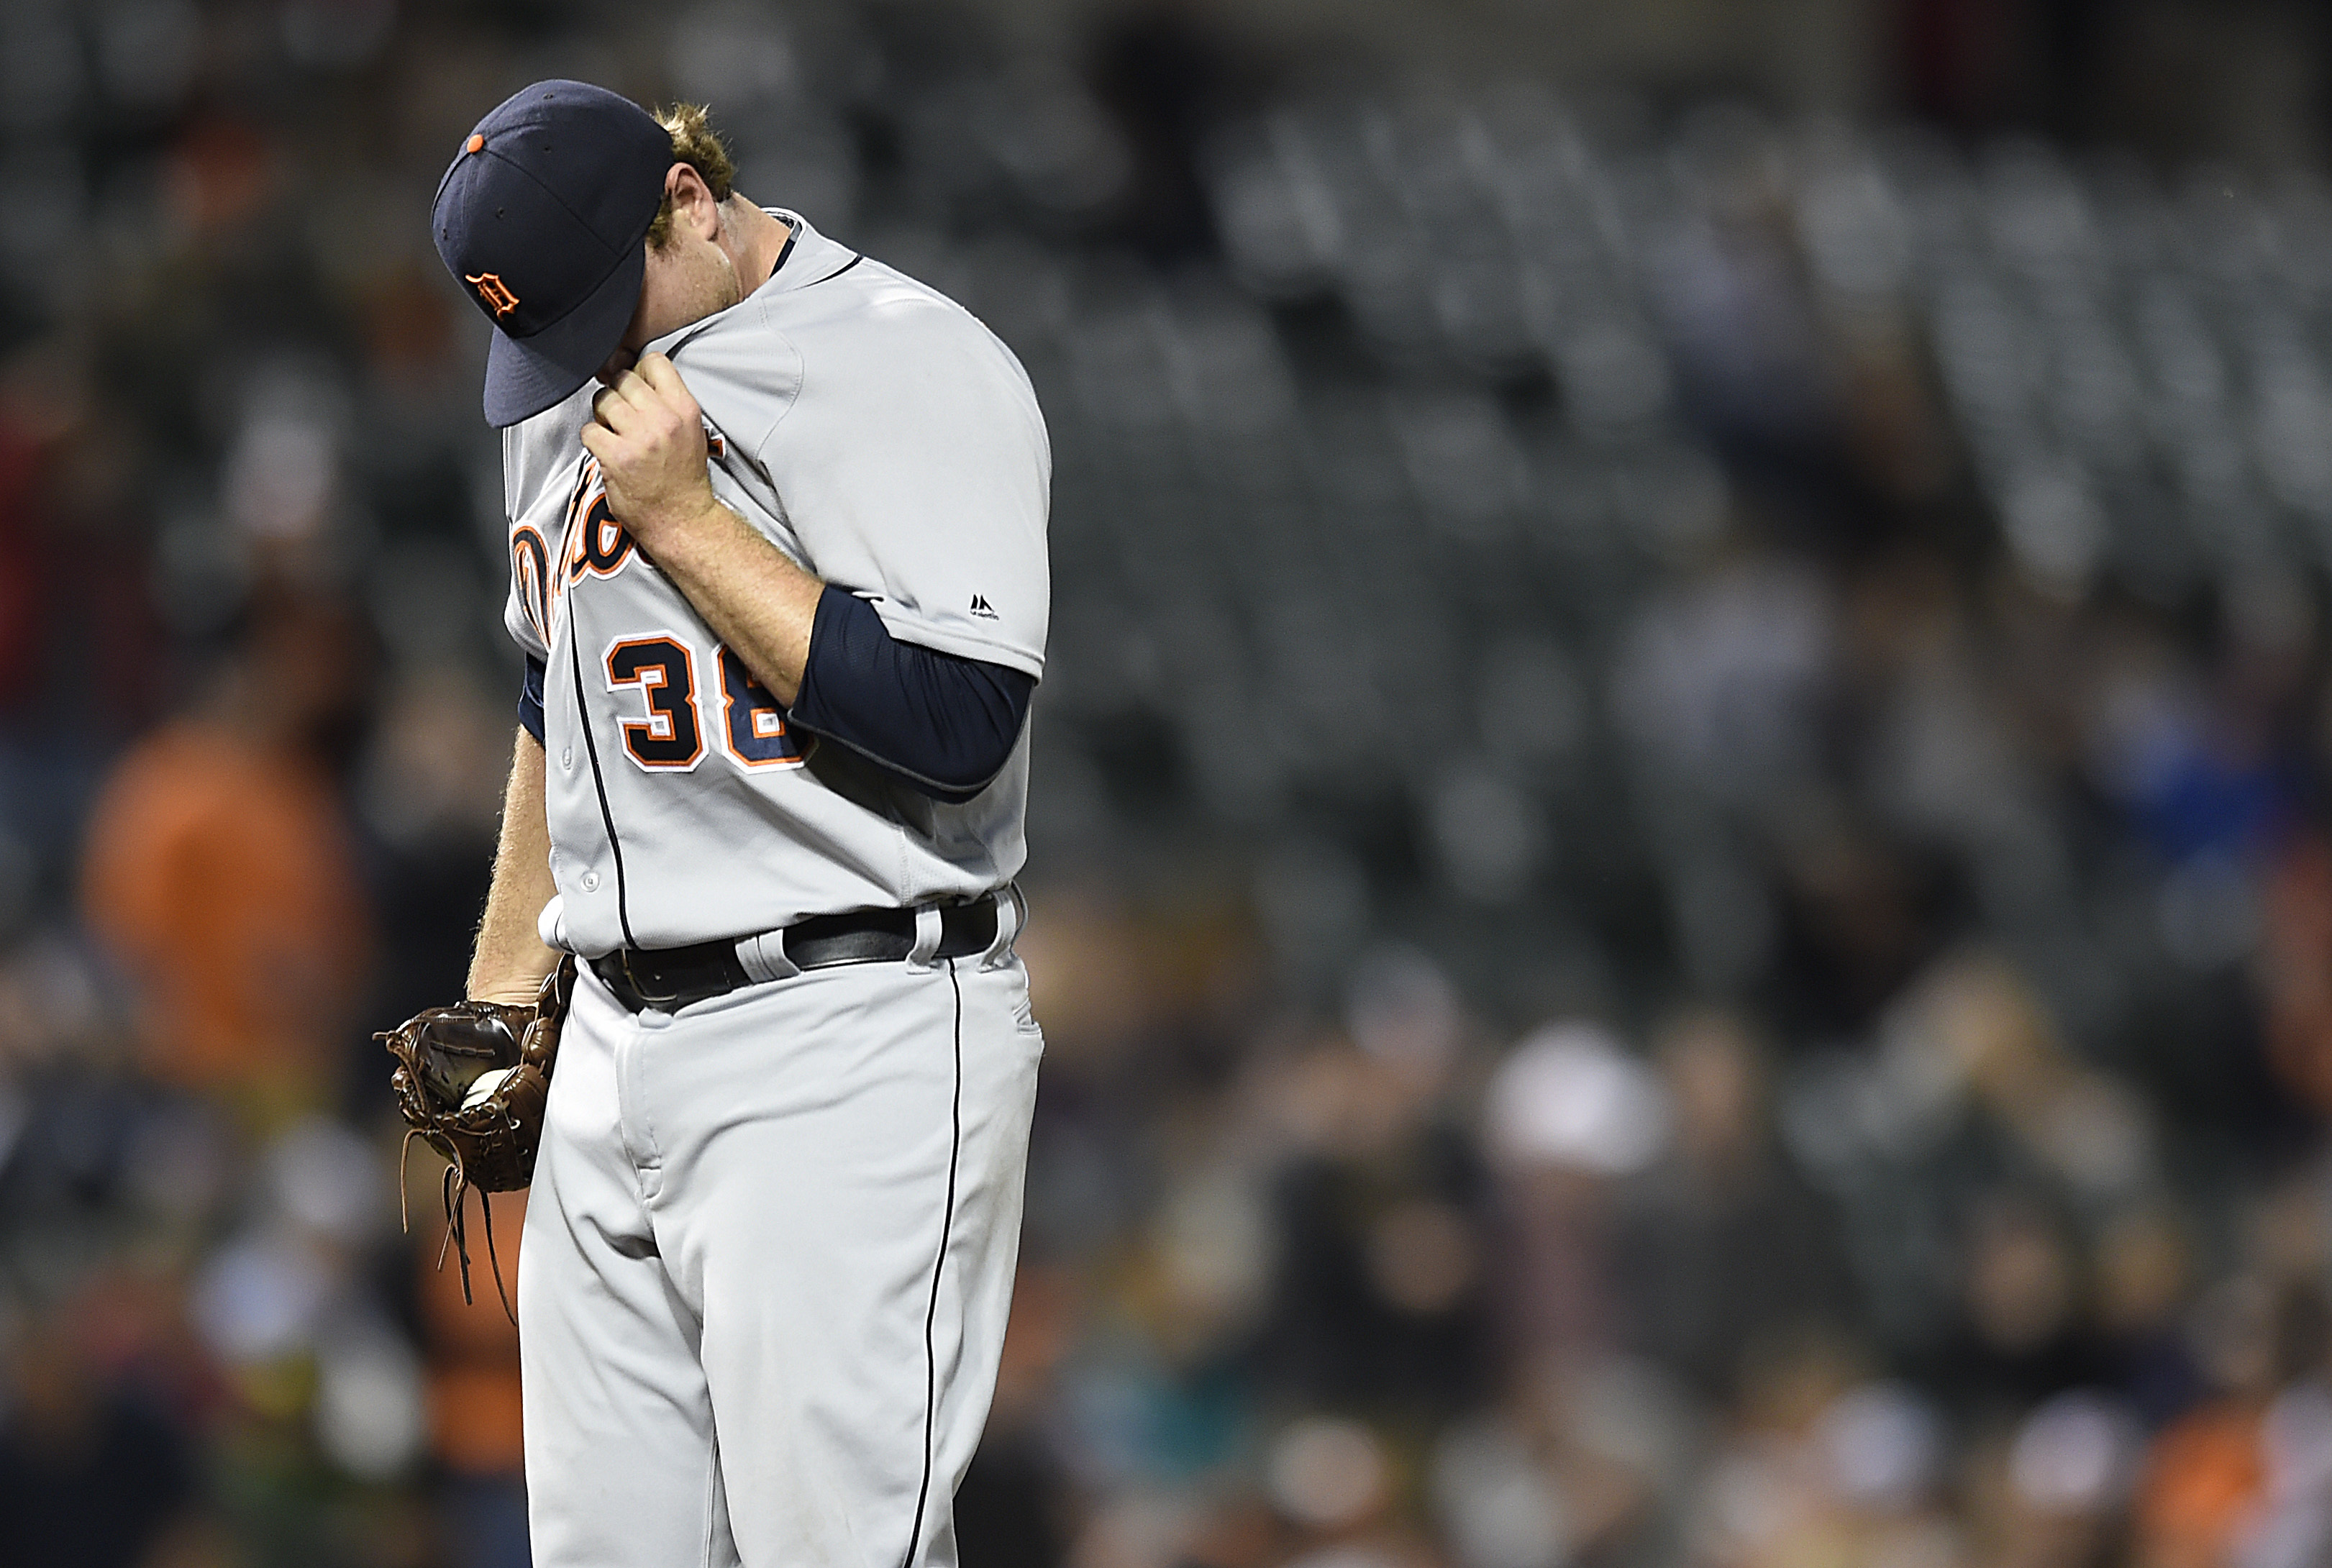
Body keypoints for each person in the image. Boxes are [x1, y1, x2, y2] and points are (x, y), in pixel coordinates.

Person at [427, 80, 1049, 1565]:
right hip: (613, 1049)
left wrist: (692, 523)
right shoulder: (580, 379)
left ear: (689, 202)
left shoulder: (905, 360)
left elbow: (960, 729)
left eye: (597, 304)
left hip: (843, 1032)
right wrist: (511, 985)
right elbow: (552, 695)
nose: (585, 355)